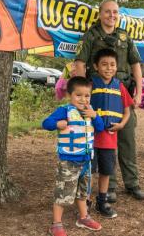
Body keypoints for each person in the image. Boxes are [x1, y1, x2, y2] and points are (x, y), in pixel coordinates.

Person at [74, 0, 144, 201]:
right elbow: (80, 63)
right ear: (100, 13)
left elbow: (136, 64)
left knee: (127, 140)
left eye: (115, 12)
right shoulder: (91, 35)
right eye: (107, 12)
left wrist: (138, 92)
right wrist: (82, 95)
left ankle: (132, 183)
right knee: (105, 139)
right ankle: (110, 187)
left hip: (122, 93)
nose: (111, 15)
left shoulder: (124, 36)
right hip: (99, 95)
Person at [42, 76, 104, 236]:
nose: (83, 99)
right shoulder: (64, 111)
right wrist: (56, 124)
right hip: (68, 161)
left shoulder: (90, 112)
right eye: (79, 95)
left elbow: (101, 128)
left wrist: (95, 116)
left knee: (83, 193)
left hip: (86, 161)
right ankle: (56, 224)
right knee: (63, 193)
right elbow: (45, 123)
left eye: (87, 95)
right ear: (70, 95)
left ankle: (83, 217)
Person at [90, 48, 133, 218]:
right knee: (88, 171)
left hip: (109, 138)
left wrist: (121, 125)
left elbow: (127, 111)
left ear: (117, 67)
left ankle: (102, 201)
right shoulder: (91, 84)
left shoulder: (120, 86)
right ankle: (85, 200)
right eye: (104, 64)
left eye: (112, 65)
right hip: (90, 138)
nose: (109, 68)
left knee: (106, 171)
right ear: (96, 66)